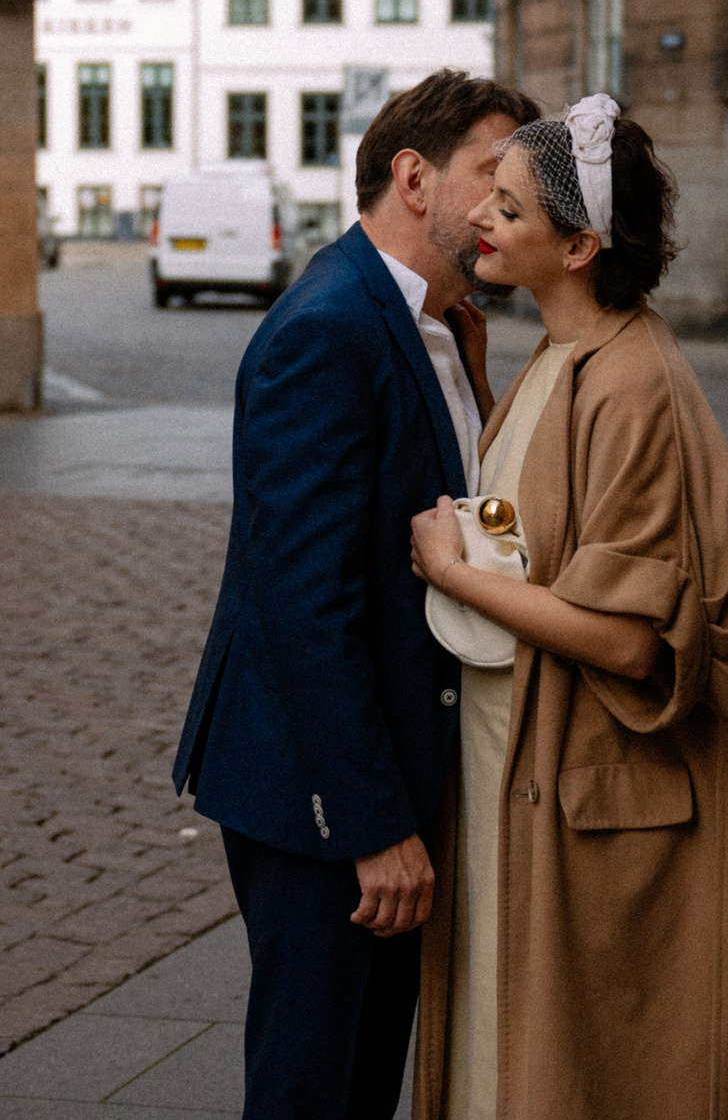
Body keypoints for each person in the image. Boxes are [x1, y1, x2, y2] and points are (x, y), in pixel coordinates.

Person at [172, 69, 539, 1120]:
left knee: (363, 1077)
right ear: (414, 177)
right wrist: (370, 824)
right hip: (317, 792)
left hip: (394, 760)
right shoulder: (325, 327)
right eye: (491, 174)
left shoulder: (441, 323)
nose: (509, 202)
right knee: (311, 1084)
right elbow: (301, 601)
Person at [405, 95, 728, 1120]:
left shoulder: (630, 382)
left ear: (576, 245)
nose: (480, 213)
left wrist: (449, 568)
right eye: (490, 192)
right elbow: (546, 537)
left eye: (509, 207)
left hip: (571, 782)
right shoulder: (564, 356)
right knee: (508, 1048)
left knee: (555, 1065)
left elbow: (624, 638)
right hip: (511, 759)